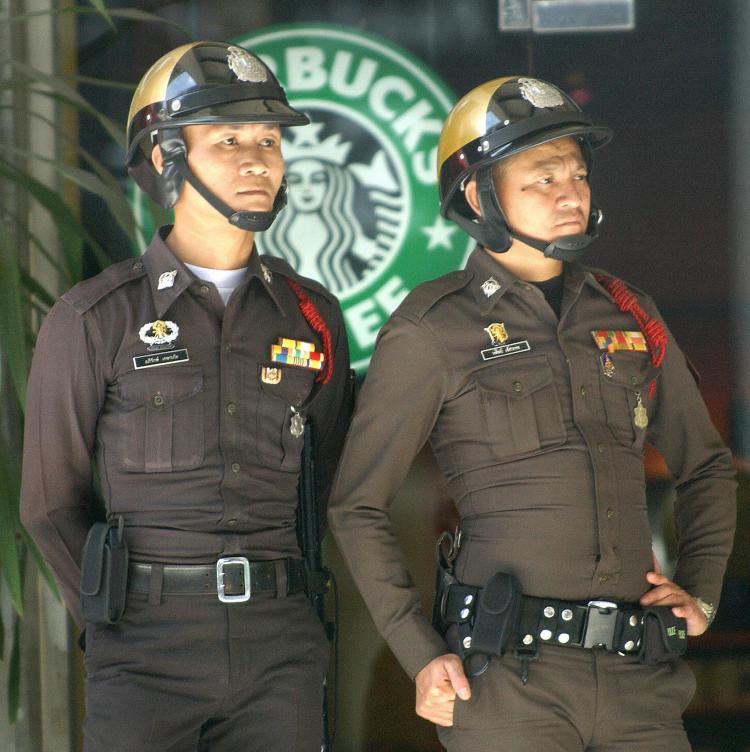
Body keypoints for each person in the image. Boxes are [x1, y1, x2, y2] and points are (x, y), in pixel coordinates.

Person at [327, 76, 736, 751]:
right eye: (543, 179)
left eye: (577, 174)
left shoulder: (628, 312)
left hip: (640, 683)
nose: (571, 193)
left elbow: (707, 466)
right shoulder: (433, 328)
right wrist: (419, 650)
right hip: (507, 685)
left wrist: (701, 592)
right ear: (477, 195)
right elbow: (355, 505)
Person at [20, 41, 353, 752]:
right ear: (168, 158)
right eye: (228, 138)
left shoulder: (311, 316)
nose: (258, 157)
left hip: (281, 650)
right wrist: (117, 622)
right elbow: (50, 504)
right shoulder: (94, 318)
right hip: (144, 655)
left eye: (268, 139)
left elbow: (320, 481)